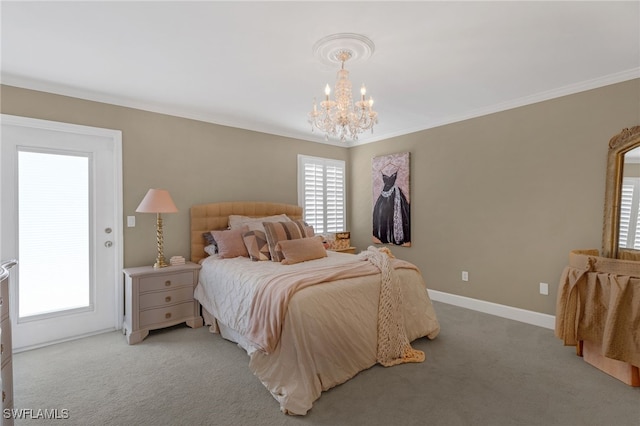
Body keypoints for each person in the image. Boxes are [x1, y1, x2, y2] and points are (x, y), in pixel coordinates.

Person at [372, 170, 410, 245]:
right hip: (384, 194)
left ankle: (395, 236)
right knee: (384, 215)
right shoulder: (382, 170)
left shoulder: (396, 170)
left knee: (395, 214)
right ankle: (386, 236)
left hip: (395, 194)